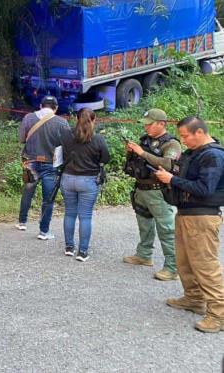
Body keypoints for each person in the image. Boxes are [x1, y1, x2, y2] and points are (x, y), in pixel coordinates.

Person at [153, 116, 224, 333]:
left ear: (200, 133)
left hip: (202, 216)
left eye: (185, 136)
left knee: (205, 265)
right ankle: (194, 299)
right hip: (186, 213)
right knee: (184, 262)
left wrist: (171, 180)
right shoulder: (194, 154)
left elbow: (204, 189)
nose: (183, 141)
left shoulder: (213, 155)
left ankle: (219, 315)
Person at [122, 108, 181, 281]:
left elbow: (169, 165)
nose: (146, 128)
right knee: (144, 224)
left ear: (161, 124)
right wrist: (132, 152)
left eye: (150, 124)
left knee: (166, 230)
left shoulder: (171, 144)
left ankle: (172, 267)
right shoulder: (145, 140)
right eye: (145, 124)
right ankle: (144, 255)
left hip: (159, 191)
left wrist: (142, 152)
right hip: (141, 188)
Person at [58, 108, 109, 262]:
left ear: (76, 118)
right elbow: (106, 158)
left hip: (67, 178)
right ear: (93, 120)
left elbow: (61, 153)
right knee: (85, 216)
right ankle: (82, 252)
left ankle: (69, 247)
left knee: (69, 213)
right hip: (88, 180)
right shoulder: (97, 139)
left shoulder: (66, 135)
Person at [16, 95, 70, 240]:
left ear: (40, 106)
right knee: (48, 198)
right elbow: (67, 145)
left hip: (30, 161)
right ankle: (43, 231)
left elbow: (22, 139)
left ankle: (22, 222)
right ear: (56, 108)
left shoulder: (28, 118)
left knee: (28, 191)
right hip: (50, 164)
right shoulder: (62, 122)